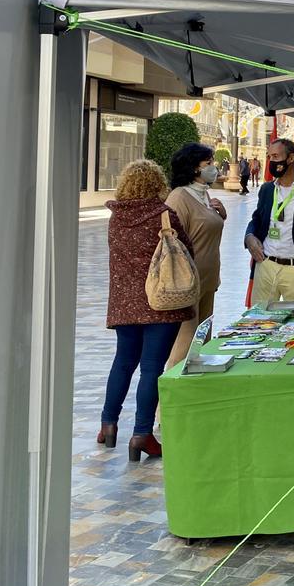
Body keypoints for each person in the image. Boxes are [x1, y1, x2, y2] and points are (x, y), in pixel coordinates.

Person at [101, 159, 195, 461]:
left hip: (124, 304)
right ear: (157, 183)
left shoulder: (116, 218)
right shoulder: (164, 216)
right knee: (152, 367)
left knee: (123, 362)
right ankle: (142, 433)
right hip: (160, 303)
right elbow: (186, 251)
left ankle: (108, 424)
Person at [164, 143, 227, 370]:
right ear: (194, 169)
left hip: (208, 281)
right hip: (188, 283)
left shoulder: (204, 195)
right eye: (208, 163)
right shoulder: (179, 197)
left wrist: (221, 215)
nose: (213, 167)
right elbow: (171, 241)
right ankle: (166, 403)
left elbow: (205, 230)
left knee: (201, 346)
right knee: (183, 347)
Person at [244, 138, 294, 306]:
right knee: (258, 321)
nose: (271, 161)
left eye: (275, 156)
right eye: (269, 157)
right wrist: (249, 236)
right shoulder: (267, 189)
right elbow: (257, 218)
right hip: (265, 265)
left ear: (291, 158)